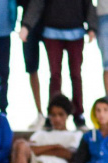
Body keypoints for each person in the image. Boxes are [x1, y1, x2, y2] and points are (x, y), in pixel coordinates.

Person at [20, 0, 98, 129]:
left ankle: (78, 115)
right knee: (55, 75)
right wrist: (26, 26)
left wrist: (92, 27)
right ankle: (53, 115)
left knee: (76, 75)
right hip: (52, 32)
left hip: (76, 32)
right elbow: (37, 4)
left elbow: (88, 4)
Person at [18, 0, 47, 129]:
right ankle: (40, 114)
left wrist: (26, 25)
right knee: (32, 68)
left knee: (55, 70)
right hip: (27, 24)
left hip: (50, 21)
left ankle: (54, 113)